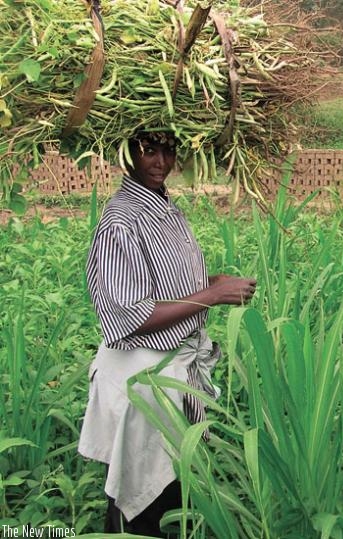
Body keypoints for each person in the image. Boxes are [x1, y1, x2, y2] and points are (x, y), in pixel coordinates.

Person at [78, 131, 257, 536]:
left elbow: (161, 282)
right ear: (127, 154)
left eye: (169, 150)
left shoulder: (163, 207)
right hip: (144, 380)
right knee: (140, 506)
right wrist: (212, 295)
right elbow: (130, 316)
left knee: (173, 493)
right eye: (148, 151)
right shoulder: (120, 222)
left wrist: (211, 280)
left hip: (172, 374)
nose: (161, 162)